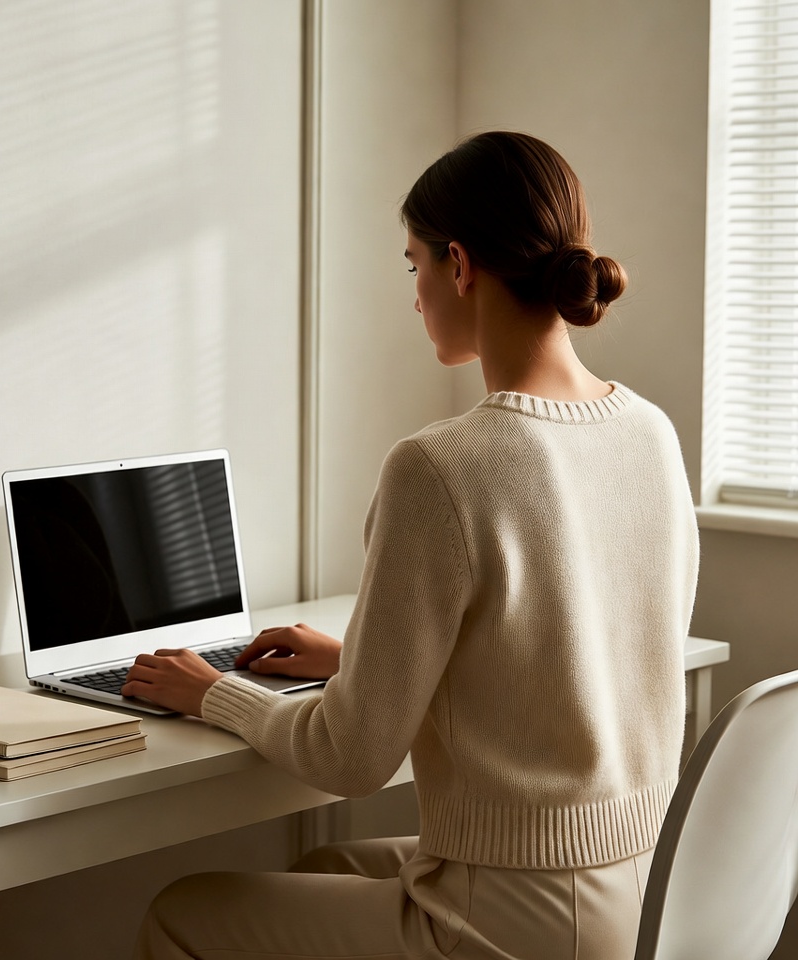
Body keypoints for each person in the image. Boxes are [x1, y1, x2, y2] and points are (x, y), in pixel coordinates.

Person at [121, 131, 700, 960]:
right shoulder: (650, 431)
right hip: (648, 894)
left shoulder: (441, 466)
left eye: (412, 266)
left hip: (510, 919)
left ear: (458, 264)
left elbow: (350, 756)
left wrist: (213, 692)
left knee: (180, 913)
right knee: (324, 864)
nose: (415, 293)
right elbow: (559, 652)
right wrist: (357, 659)